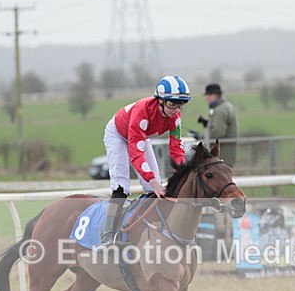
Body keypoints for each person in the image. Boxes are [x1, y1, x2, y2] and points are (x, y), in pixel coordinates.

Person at [99, 74, 191, 246]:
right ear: (160, 101)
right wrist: (153, 180)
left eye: (181, 105)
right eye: (172, 104)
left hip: (141, 137)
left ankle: (149, 229)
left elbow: (176, 148)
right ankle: (107, 235)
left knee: (152, 189)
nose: (175, 110)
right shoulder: (143, 111)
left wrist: (181, 175)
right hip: (118, 135)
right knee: (121, 186)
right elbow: (136, 153)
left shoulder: (175, 118)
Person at [198, 83, 238, 166]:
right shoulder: (224, 106)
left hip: (222, 153)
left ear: (214, 95)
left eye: (207, 95)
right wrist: (206, 123)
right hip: (226, 152)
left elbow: (218, 133)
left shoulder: (221, 109)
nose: (206, 98)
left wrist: (200, 137)